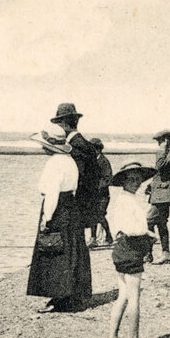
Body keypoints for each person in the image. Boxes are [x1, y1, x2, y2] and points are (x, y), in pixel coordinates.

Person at [26, 125, 91, 313]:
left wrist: (47, 218)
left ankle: (59, 297)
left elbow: (52, 192)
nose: (41, 148)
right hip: (71, 206)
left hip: (58, 208)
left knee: (54, 249)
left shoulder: (54, 163)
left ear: (50, 146)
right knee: (73, 248)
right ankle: (74, 294)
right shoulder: (69, 160)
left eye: (43, 145)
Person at [105, 162, 158, 338]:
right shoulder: (128, 201)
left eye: (138, 179)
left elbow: (120, 228)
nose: (136, 183)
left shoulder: (123, 199)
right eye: (131, 179)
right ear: (124, 181)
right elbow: (130, 229)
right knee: (134, 297)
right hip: (130, 249)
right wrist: (148, 233)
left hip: (121, 249)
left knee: (123, 296)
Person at [51, 103, 101, 240]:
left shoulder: (75, 146)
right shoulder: (84, 144)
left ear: (65, 125)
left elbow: (77, 178)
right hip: (84, 205)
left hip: (76, 206)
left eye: (58, 125)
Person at [146, 129, 170, 265]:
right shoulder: (168, 152)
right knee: (161, 223)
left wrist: (161, 149)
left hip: (165, 193)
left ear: (166, 141)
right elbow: (159, 173)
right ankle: (162, 253)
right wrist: (151, 185)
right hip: (159, 192)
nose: (158, 144)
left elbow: (160, 166)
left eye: (160, 141)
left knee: (148, 221)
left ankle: (149, 253)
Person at [88, 138, 114, 247]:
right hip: (93, 194)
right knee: (93, 215)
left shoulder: (104, 161)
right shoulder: (91, 161)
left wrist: (97, 186)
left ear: (98, 149)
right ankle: (93, 239)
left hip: (103, 195)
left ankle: (108, 236)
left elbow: (108, 178)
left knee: (100, 215)